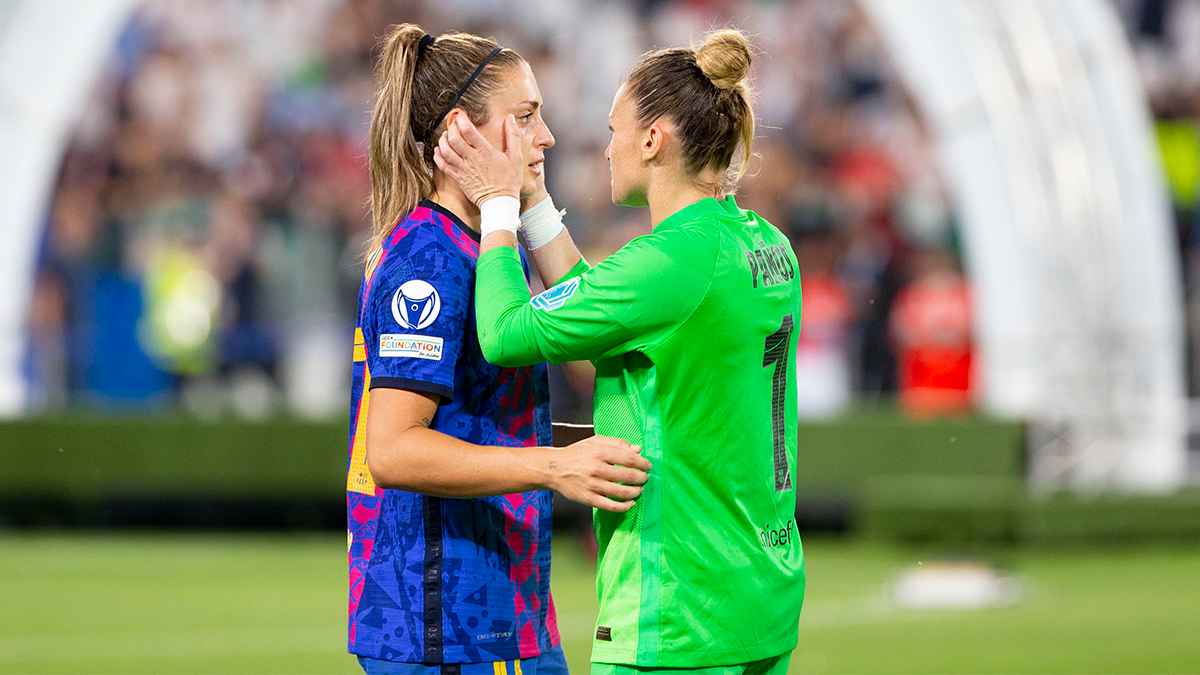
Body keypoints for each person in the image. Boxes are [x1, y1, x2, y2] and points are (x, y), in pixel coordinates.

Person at [435, 28, 805, 675]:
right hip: (760, 593)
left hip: (680, 608)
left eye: (614, 131)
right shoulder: (766, 244)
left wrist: (496, 205)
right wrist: (534, 202)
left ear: (654, 139)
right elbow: (606, 309)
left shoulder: (670, 261)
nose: (606, 150)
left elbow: (505, 332)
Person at [347, 24, 651, 675]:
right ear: (463, 130)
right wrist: (552, 467)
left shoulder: (481, 244)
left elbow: (486, 414)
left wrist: (578, 450)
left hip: (504, 612)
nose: (545, 136)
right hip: (445, 622)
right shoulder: (428, 257)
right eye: (525, 116)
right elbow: (393, 447)